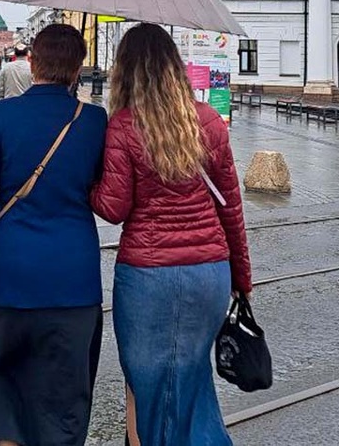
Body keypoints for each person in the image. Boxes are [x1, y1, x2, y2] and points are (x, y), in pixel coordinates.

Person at [0, 24, 108, 446]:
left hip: (11, 274)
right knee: (67, 395)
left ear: (33, 62)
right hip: (75, 278)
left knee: (7, 386)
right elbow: (101, 190)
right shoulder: (93, 121)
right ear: (77, 68)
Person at [91, 23, 251, 446]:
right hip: (209, 273)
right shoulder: (209, 121)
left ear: (125, 71)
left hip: (148, 277)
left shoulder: (123, 126)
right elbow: (230, 207)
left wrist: (88, 184)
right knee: (193, 382)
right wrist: (242, 279)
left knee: (148, 388)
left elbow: (113, 208)